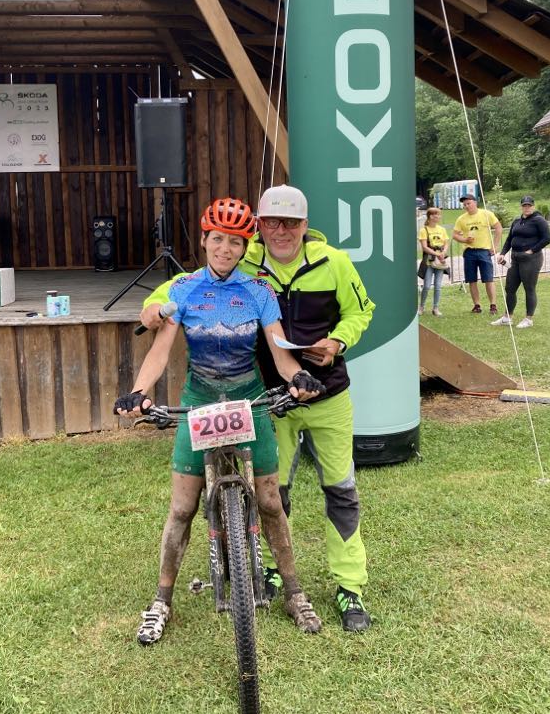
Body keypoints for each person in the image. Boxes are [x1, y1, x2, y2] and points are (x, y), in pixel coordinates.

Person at [141, 185, 375, 632]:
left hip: (312, 394)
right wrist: (151, 310)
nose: (281, 231)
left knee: (332, 492)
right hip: (251, 399)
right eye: (272, 223)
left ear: (305, 225)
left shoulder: (328, 265)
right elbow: (175, 295)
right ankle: (240, 580)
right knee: (247, 499)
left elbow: (357, 314)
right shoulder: (234, 265)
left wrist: (335, 345)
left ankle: (342, 587)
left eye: (291, 223)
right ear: (260, 229)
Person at [114, 197, 324, 646]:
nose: (225, 249)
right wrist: (139, 391)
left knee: (270, 503)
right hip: (200, 399)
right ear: (204, 240)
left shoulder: (259, 291)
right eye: (217, 239)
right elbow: (160, 351)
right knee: (182, 508)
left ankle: (294, 592)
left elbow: (280, 353)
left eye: (235, 242)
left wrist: (298, 377)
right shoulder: (184, 289)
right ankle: (161, 601)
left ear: (245, 247)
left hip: (249, 400)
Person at [493, 195, 550, 328]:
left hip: (531, 260)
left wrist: (532, 250)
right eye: (524, 205)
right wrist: (502, 253)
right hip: (515, 259)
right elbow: (509, 239)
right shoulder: (517, 221)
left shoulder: (539, 220)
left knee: (529, 288)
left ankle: (528, 319)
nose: (527, 208)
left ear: (533, 206)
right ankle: (507, 317)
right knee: (510, 288)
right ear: (521, 207)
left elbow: (547, 238)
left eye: (529, 205)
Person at [452, 193, 503, 315]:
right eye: (464, 204)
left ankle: (493, 305)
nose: (466, 206)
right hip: (469, 252)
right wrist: (465, 240)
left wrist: (495, 245)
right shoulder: (461, 219)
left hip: (484, 251)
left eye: (468, 203)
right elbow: (455, 235)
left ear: (475, 202)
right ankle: (477, 305)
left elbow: (498, 228)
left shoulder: (486, 214)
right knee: (472, 280)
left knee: (488, 279)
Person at [417, 206, 449, 317]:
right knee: (426, 286)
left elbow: (446, 243)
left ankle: (435, 308)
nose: (439, 217)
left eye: (439, 214)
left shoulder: (442, 229)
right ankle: (421, 307)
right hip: (429, 261)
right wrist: (436, 254)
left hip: (440, 261)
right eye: (437, 214)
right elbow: (424, 247)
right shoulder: (424, 230)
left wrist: (443, 253)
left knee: (438, 285)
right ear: (431, 216)